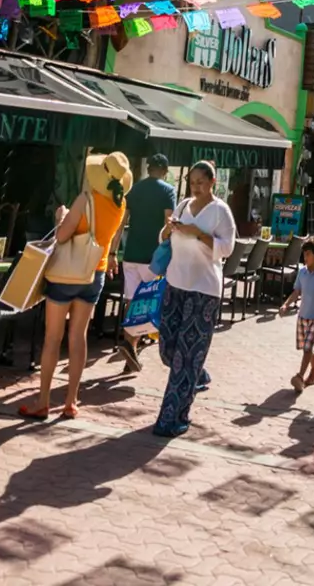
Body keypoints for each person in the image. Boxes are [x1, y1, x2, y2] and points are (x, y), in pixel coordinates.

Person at [24, 152, 130, 421]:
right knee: (78, 337)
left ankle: (43, 401)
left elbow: (62, 236)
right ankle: (71, 401)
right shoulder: (120, 203)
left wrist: (61, 216)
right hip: (95, 273)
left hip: (67, 274)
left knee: (53, 337)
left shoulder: (86, 199)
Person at [152, 161, 236, 438]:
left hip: (204, 290)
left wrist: (198, 234)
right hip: (175, 283)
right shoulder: (183, 205)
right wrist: (167, 230)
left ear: (212, 182)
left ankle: (171, 419)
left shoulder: (220, 211)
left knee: (185, 359)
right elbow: (164, 238)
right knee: (167, 348)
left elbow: (227, 248)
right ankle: (197, 373)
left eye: (201, 182)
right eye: (192, 182)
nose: (196, 187)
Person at [117, 152, 177, 372]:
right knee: (149, 302)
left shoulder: (134, 189)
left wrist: (114, 251)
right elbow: (169, 223)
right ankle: (134, 346)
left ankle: (130, 349)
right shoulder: (168, 191)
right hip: (153, 257)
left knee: (131, 301)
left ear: (148, 168)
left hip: (131, 253)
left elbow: (122, 222)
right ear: (165, 171)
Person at [281, 237, 314, 394]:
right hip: (303, 316)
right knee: (309, 346)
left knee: (308, 347)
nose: (305, 257)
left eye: (309, 254)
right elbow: (296, 291)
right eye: (304, 254)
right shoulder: (302, 272)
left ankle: (300, 376)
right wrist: (286, 304)